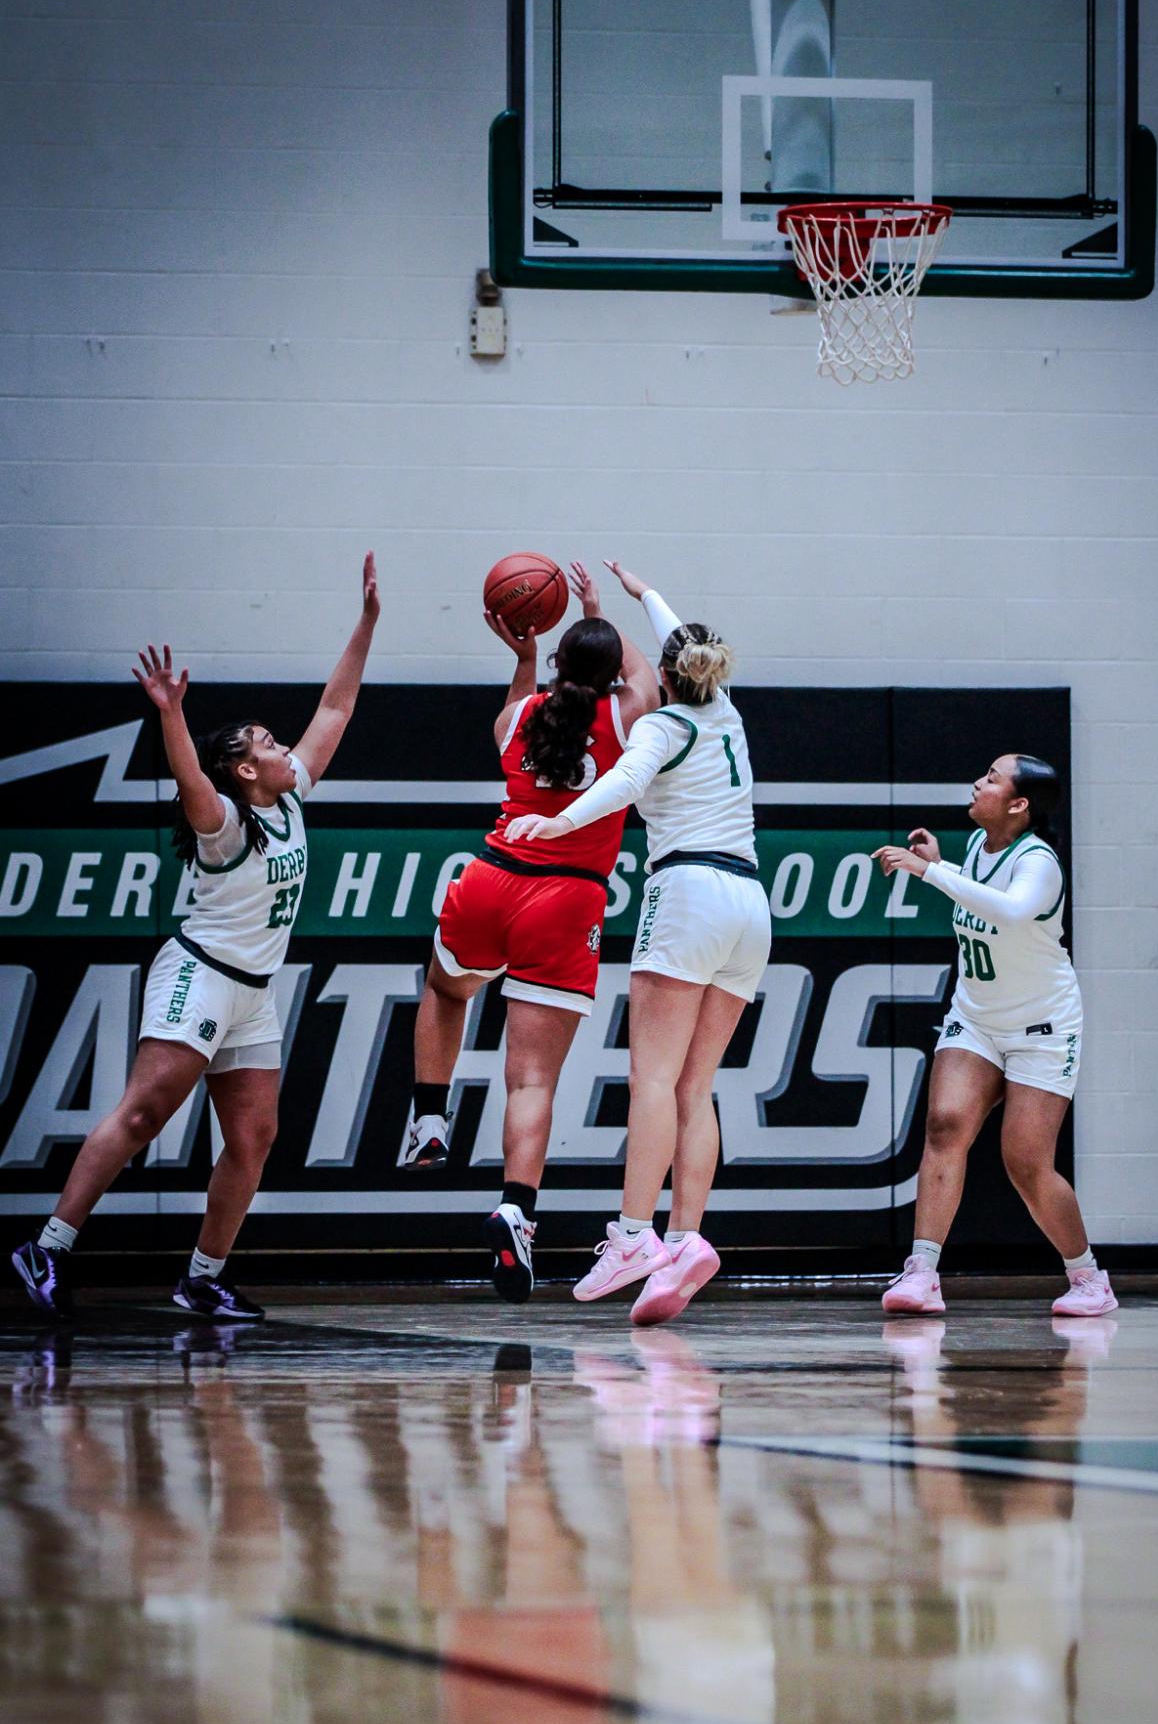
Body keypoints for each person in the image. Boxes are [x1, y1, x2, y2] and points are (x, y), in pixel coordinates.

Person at [11, 552, 383, 1322]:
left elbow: (337, 710)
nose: (284, 746)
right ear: (244, 771)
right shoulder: (225, 825)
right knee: (146, 1113)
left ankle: (203, 1277)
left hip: (252, 992)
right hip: (201, 973)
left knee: (254, 1136)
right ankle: (47, 1244)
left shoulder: (290, 798)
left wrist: (368, 621)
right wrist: (172, 714)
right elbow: (190, 782)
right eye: (267, 742)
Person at [505, 561, 770, 1327]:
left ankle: (632, 1234)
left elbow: (621, 787)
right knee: (696, 1086)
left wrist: (555, 823)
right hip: (751, 906)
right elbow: (675, 641)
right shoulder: (726, 711)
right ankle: (686, 1236)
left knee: (651, 1079)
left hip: (687, 894)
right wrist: (644, 594)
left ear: (663, 676)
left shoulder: (659, 725)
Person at [404, 562, 659, 1303]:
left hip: (492, 876)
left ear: (553, 666)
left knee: (445, 988)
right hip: (566, 899)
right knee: (532, 1077)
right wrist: (598, 612)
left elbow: (523, 698)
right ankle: (516, 1205)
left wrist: (526, 653)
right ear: (609, 671)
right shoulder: (626, 717)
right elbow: (642, 670)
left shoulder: (518, 719)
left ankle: (428, 1114)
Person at [872, 754, 1116, 1320]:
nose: (978, 780)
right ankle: (923, 1273)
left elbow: (1009, 911)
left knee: (1025, 1163)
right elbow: (976, 898)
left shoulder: (1040, 862)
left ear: (1019, 803)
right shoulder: (978, 850)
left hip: (1043, 1026)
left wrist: (929, 871)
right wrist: (946, 867)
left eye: (992, 777)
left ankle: (1088, 1278)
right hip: (977, 1017)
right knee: (944, 1125)